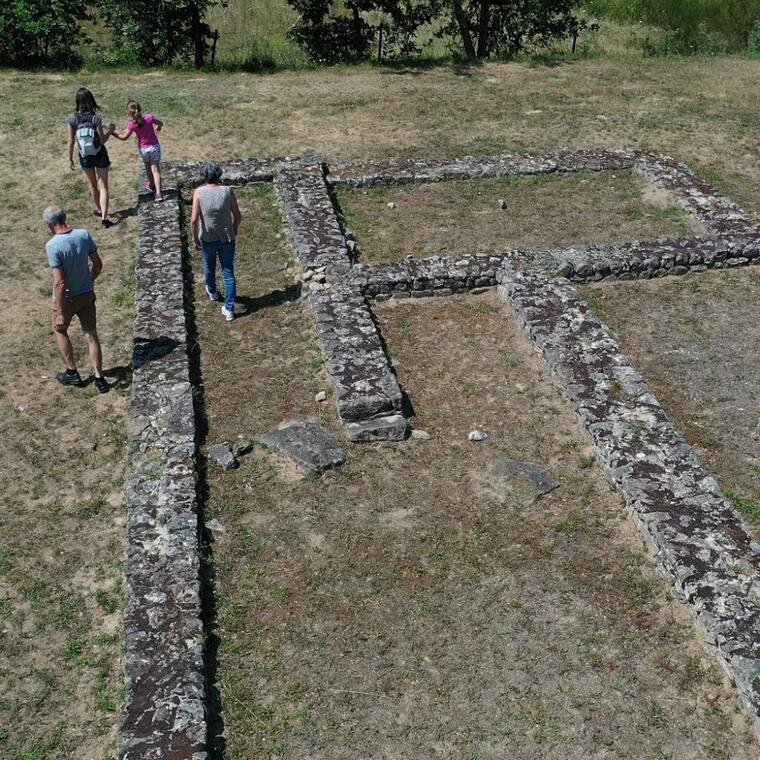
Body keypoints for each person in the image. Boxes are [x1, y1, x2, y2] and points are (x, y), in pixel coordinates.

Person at [43, 205, 109, 394]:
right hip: (87, 294)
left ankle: (72, 371)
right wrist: (89, 281)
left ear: (49, 224)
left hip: (68, 298)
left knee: (60, 329)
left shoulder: (53, 245)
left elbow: (60, 283)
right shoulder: (83, 235)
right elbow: (97, 265)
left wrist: (61, 311)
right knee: (91, 334)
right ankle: (99, 377)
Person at [190, 161, 242, 321]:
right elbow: (238, 215)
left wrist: (194, 238)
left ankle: (212, 291)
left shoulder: (199, 192)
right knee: (228, 273)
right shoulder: (227, 191)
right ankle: (229, 308)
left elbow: (194, 220)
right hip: (227, 237)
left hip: (207, 237)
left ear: (204, 176)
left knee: (209, 266)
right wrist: (234, 228)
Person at [67, 88, 115, 228]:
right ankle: (105, 218)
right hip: (100, 154)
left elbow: (70, 141)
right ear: (92, 100)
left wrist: (70, 159)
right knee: (103, 186)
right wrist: (110, 131)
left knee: (93, 185)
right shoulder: (96, 118)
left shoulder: (73, 119)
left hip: (85, 156)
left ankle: (100, 210)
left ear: (77, 101)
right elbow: (101, 141)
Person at [111, 101, 164, 201]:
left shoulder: (132, 125)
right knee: (155, 170)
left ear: (129, 113)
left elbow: (123, 137)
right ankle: (158, 193)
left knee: (148, 168)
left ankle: (151, 184)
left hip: (143, 149)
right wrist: (159, 127)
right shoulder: (149, 117)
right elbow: (161, 123)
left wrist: (112, 133)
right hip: (154, 147)